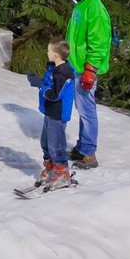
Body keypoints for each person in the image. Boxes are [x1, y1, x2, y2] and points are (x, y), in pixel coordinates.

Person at [66, 0, 112, 168]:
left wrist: (90, 70)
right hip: (76, 66)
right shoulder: (81, 5)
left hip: (85, 69)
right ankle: (82, 147)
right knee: (82, 108)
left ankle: (90, 154)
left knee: (87, 110)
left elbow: (99, 42)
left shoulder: (94, 7)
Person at [26, 39, 77, 190]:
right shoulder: (54, 69)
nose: (47, 53)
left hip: (58, 113)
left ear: (55, 55)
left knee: (56, 145)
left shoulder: (64, 74)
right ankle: (51, 169)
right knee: (46, 143)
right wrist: (39, 81)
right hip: (49, 111)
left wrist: (40, 85)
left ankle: (62, 173)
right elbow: (49, 87)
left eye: (48, 51)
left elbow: (55, 94)